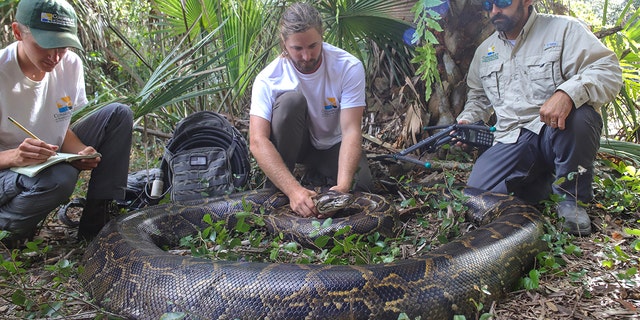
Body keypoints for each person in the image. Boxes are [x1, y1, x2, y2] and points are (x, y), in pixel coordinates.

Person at [457, 0, 622, 236]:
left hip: (555, 130)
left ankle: (573, 199)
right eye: (488, 3)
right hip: (511, 138)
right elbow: (478, 98)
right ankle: (543, 183)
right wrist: (467, 120)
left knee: (581, 117)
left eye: (503, 2)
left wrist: (567, 94)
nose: (494, 11)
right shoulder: (485, 52)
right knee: (477, 195)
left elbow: (607, 70)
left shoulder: (565, 29)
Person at [0, 0, 133, 248]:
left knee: (119, 114)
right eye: (44, 45)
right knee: (59, 177)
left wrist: (81, 151)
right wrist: (14, 157)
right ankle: (6, 233)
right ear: (18, 32)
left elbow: (61, 125)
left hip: (46, 158)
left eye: (62, 46)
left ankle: (98, 225)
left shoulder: (69, 64)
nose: (54, 56)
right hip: (7, 172)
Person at [249, 2, 373, 218]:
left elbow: (352, 131)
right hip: (297, 147)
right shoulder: (268, 79)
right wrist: (293, 191)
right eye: (297, 48)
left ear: (322, 36)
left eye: (313, 46)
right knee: (290, 103)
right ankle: (277, 190)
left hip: (332, 145)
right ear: (284, 44)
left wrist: (342, 188)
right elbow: (257, 141)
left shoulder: (348, 67)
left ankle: (318, 175)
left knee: (362, 188)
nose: (306, 56)